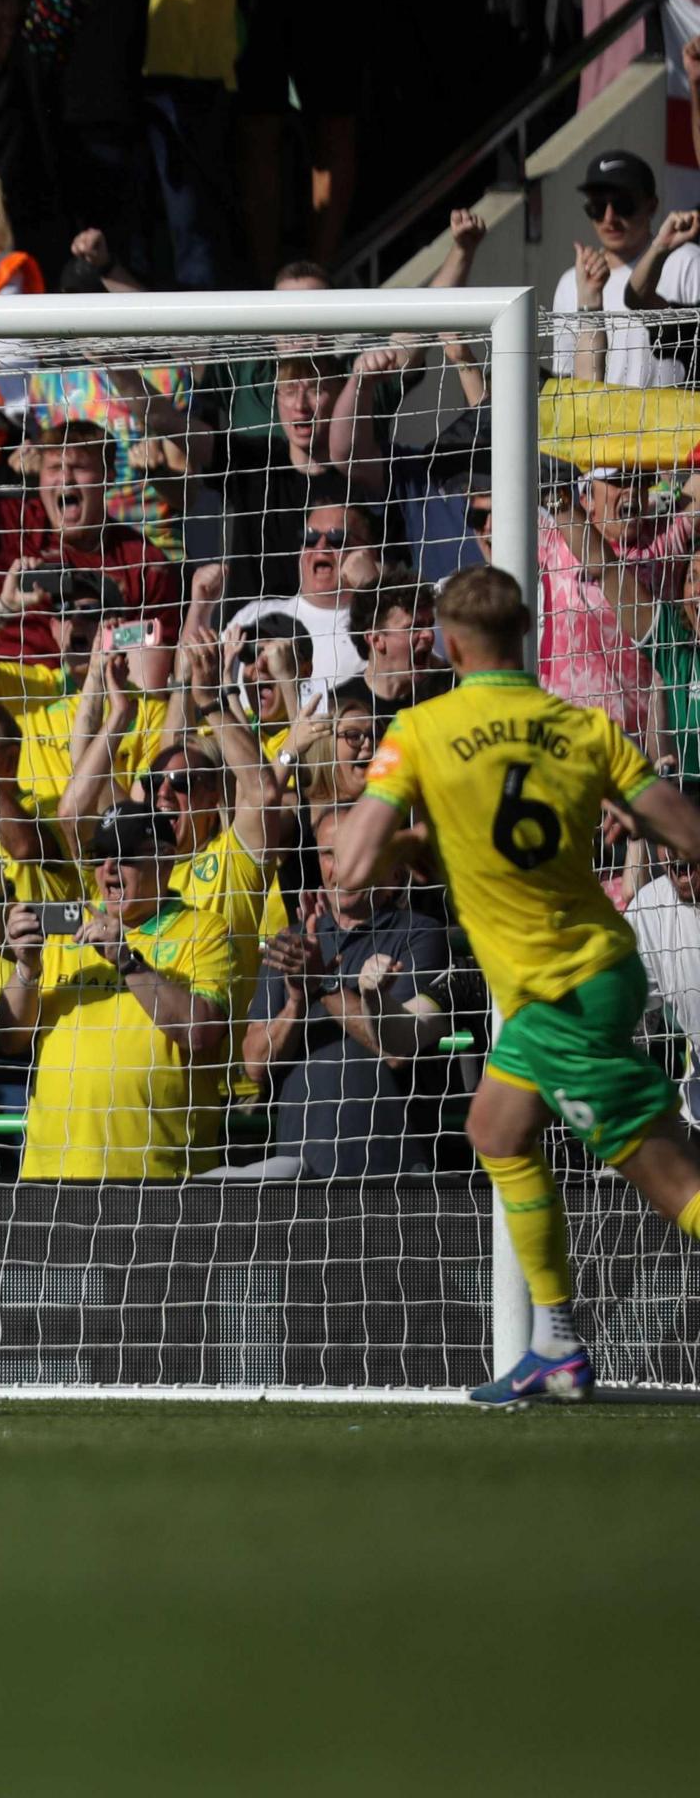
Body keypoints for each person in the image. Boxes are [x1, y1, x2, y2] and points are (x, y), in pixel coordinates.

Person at [326, 565, 700, 1406]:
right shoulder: (582, 728)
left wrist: (406, 831)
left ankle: (560, 1345)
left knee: (677, 1185)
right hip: (593, 968)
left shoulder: (419, 732)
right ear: (525, 634)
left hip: (560, 994)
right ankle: (556, 1343)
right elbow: (683, 827)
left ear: (447, 642)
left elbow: (348, 870)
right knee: (495, 1129)